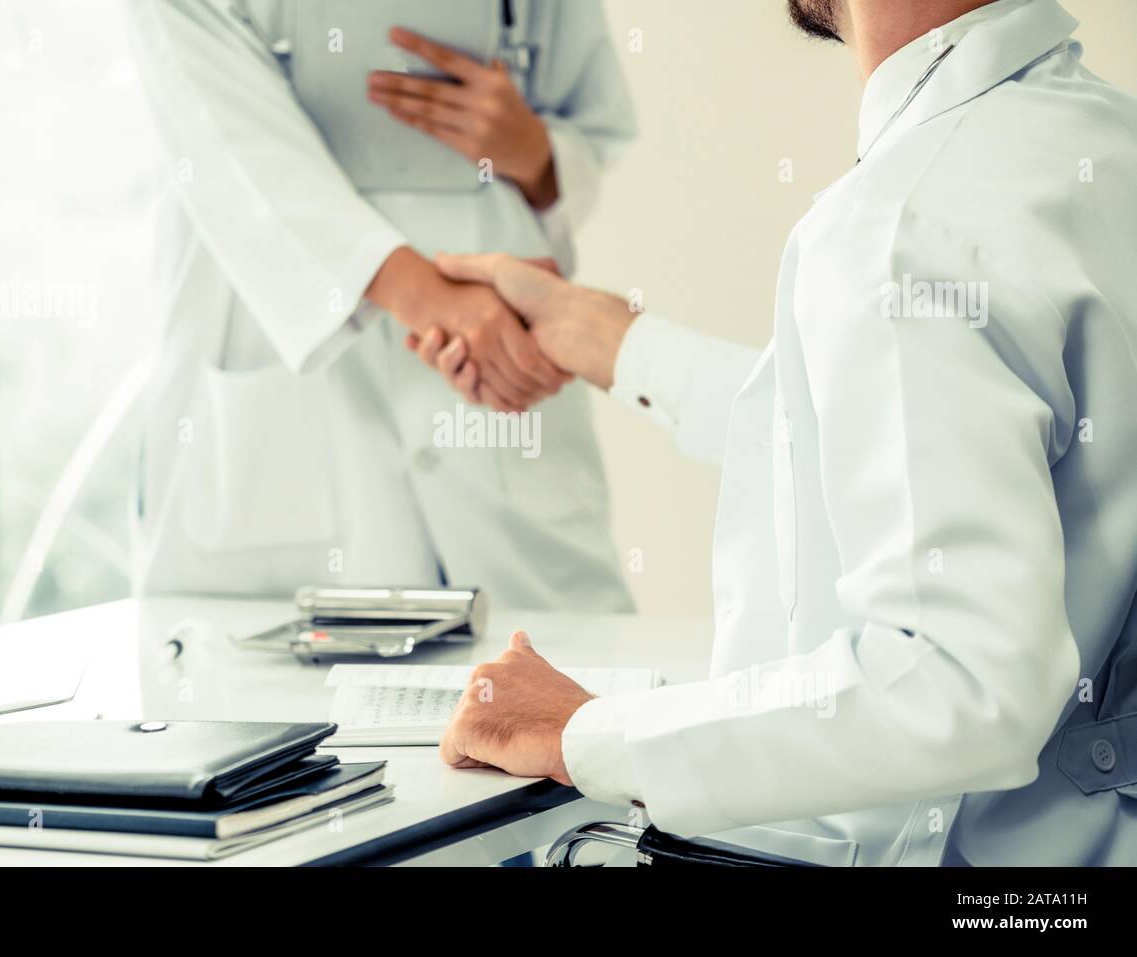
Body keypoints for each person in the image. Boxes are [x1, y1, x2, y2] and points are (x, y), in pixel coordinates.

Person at [413, 0, 1137, 865]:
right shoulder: (1096, 141)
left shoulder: (905, 223)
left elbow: (960, 685)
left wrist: (583, 732)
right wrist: (616, 343)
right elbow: (939, 446)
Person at [123, 0, 636, 612]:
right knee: (269, 678)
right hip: (290, 338)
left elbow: (592, 126)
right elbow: (225, 142)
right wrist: (431, 300)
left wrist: (534, 152)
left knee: (560, 673)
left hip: (493, 343)